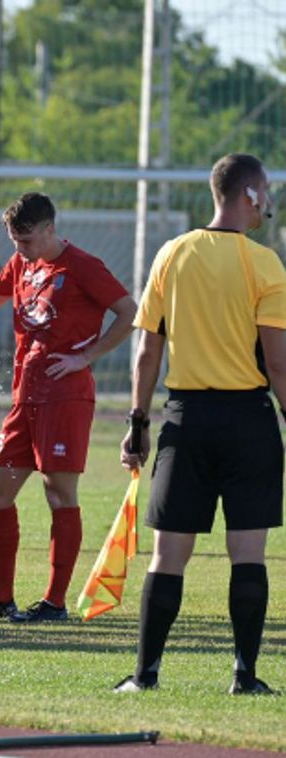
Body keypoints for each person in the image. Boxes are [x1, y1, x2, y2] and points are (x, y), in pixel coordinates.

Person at [116, 153, 284, 695]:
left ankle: (145, 676)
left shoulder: (173, 252)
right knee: (248, 552)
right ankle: (244, 675)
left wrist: (139, 420)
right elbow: (277, 362)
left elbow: (147, 352)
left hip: (185, 419)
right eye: (267, 191)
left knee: (169, 553)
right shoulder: (265, 264)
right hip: (249, 420)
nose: (271, 201)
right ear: (251, 195)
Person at [0, 193, 135, 623]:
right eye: (15, 241)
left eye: (28, 240)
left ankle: (54, 603)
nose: (21, 250)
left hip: (65, 397)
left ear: (50, 229)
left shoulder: (83, 266)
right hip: (25, 397)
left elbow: (129, 312)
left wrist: (85, 357)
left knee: (59, 492)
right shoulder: (21, 264)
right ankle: (1, 597)